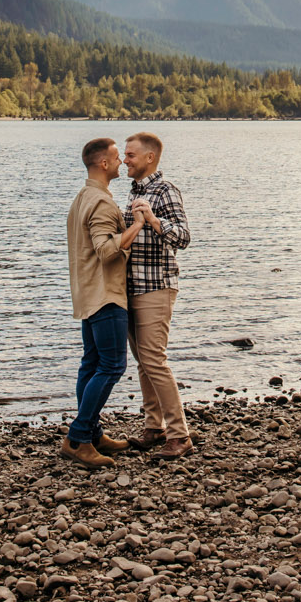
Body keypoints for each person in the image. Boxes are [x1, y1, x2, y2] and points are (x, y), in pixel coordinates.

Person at [63, 136, 144, 468]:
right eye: (116, 157)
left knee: (91, 363)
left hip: (86, 294)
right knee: (112, 366)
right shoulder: (100, 203)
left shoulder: (82, 198)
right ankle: (78, 437)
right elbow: (107, 251)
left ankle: (93, 433)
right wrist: (138, 224)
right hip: (105, 296)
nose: (122, 162)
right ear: (103, 164)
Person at [123, 131, 193, 458]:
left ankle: (179, 435)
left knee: (154, 360)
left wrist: (153, 220)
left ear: (149, 158)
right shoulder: (135, 191)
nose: (125, 159)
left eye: (131, 155)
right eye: (125, 154)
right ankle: (154, 427)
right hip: (133, 287)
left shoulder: (165, 191)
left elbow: (183, 237)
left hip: (157, 285)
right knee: (143, 362)